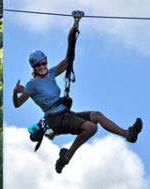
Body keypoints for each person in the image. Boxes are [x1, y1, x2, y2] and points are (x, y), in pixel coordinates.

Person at [13, 26, 142, 174]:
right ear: (33, 67)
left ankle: (128, 134)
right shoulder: (31, 85)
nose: (42, 67)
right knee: (91, 127)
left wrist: (71, 36)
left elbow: (68, 60)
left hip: (65, 114)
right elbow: (17, 104)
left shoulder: (51, 73)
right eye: (38, 65)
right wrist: (14, 93)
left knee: (97, 115)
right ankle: (67, 156)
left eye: (44, 63)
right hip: (55, 119)